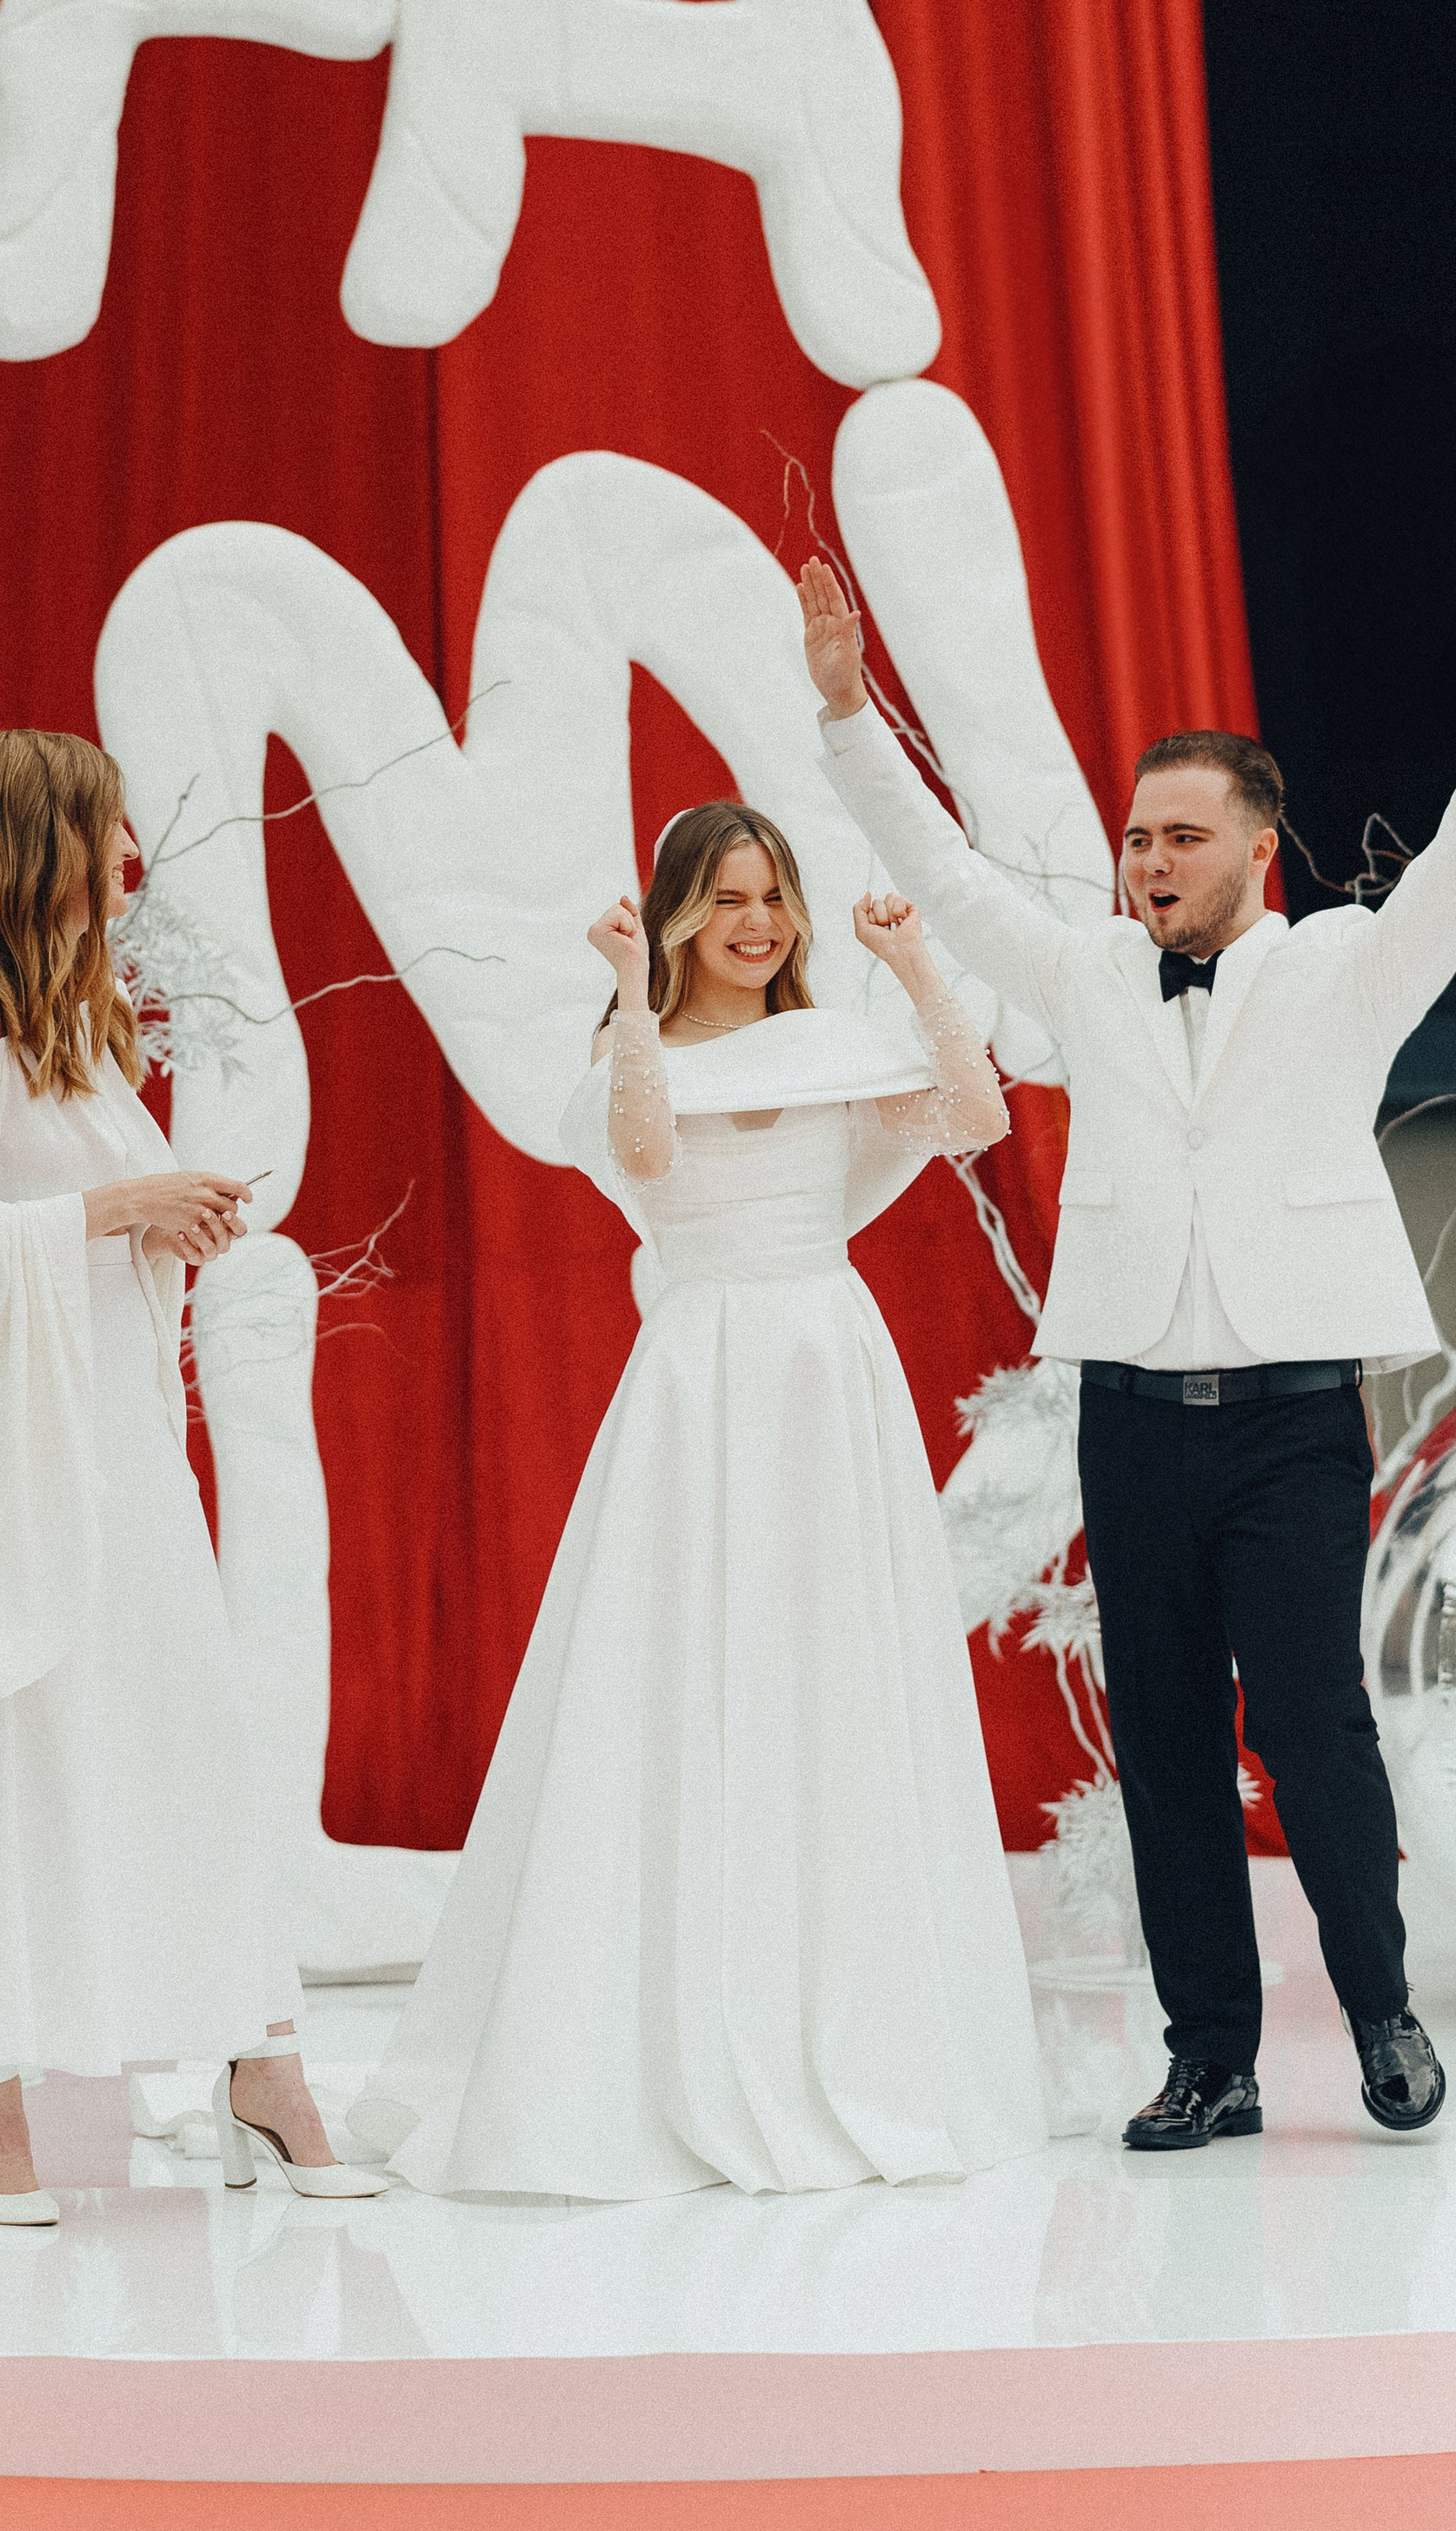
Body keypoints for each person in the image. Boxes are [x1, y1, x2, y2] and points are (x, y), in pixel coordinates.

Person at [800, 524, 1456, 2148]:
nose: (1145, 862)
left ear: (1256, 846)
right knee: (1165, 1745)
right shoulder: (1091, 973)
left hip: (1297, 1413)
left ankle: (1380, 2015)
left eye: (1178, 836)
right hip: (1135, 1410)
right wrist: (843, 713)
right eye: (1134, 839)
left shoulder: (1346, 970)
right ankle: (1210, 2056)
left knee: (1310, 1729)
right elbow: (942, 879)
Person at [348, 801, 1047, 2197]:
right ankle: (669, 2032)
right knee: (679, 1673)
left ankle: (837, 2029)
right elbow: (651, 1161)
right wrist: (624, 990)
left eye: (773, 894)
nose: (758, 921)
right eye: (727, 897)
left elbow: (974, 1113)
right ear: (679, 912)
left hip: (826, 1373)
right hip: (702, 1378)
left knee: (829, 1675)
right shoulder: (636, 1051)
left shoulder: (838, 1041)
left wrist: (911, 971)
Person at [0, 729, 387, 2221]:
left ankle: (253, 2063)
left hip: (123, 1450)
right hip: (41, 1470)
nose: (128, 861)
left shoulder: (83, 1022)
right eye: (104, 833)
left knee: (189, 1743)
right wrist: (119, 1205)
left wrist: (160, 1226)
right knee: (38, 1759)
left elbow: (61, 1230)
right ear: (40, 840)